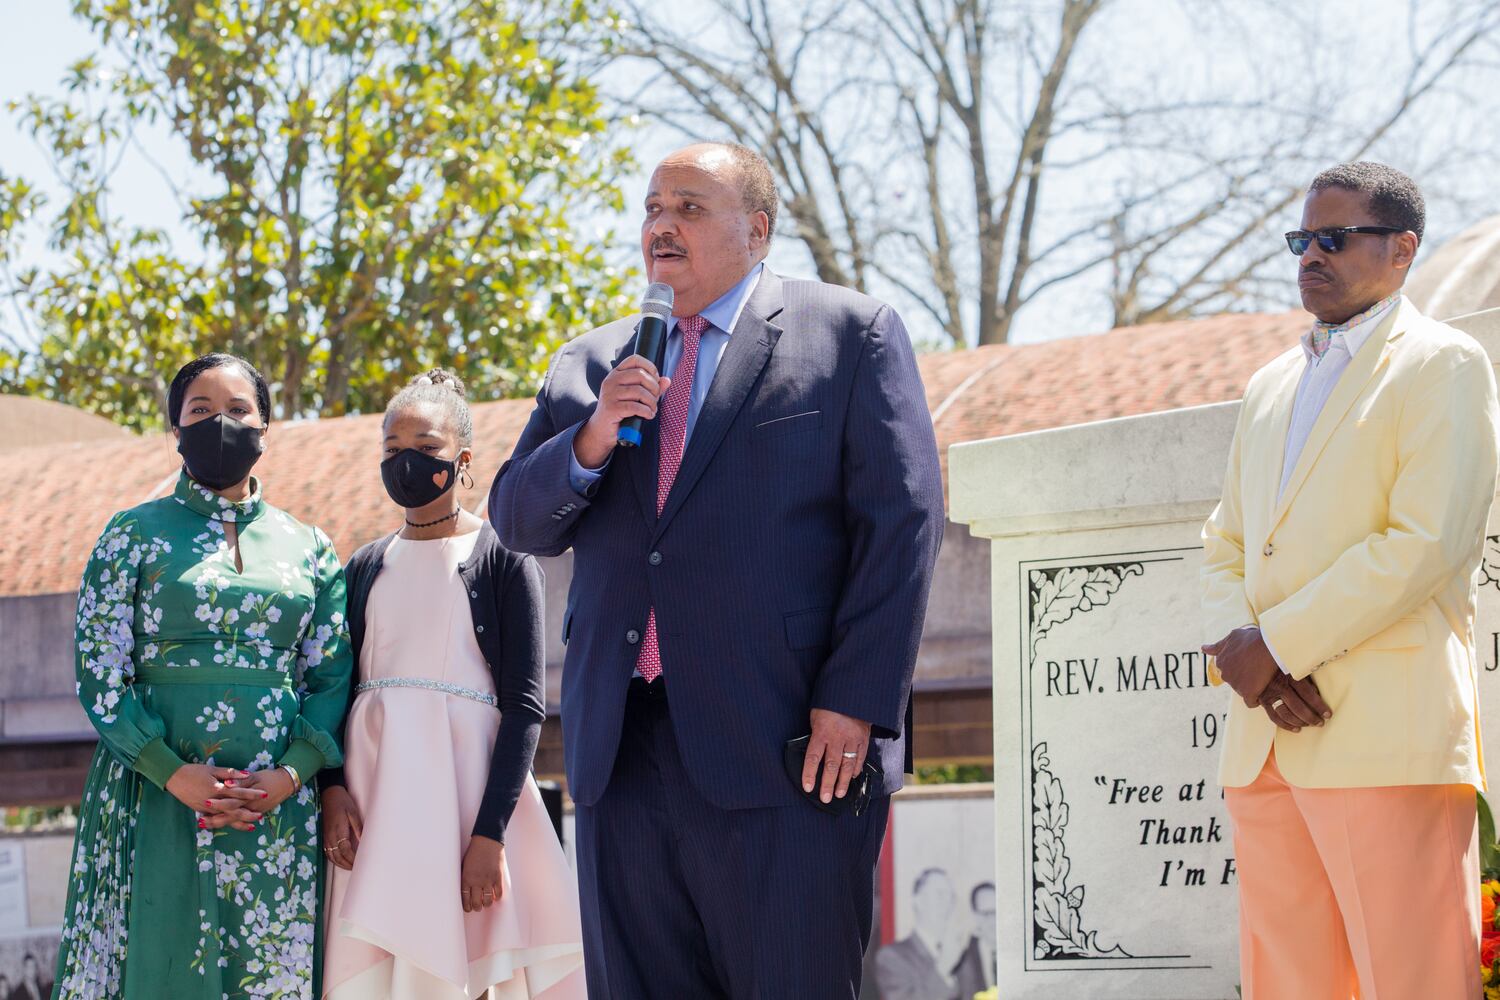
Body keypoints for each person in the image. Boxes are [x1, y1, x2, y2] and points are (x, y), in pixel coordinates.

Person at [490, 141, 945, 998]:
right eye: (654, 208)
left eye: (690, 208)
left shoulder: (848, 335)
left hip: (791, 754)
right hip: (622, 757)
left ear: (757, 230)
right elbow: (516, 519)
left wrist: (856, 696)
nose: (662, 225)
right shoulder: (592, 363)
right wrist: (591, 438)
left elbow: (902, 523)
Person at [1201, 162, 1499, 999]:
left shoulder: (1445, 364)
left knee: (1416, 983)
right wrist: (1244, 658)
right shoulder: (1268, 387)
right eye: (1303, 239)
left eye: (1336, 238)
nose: (1311, 256)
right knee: (1288, 986)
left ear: (1403, 250)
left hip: (1385, 738)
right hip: (1264, 740)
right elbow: (1223, 543)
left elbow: (1425, 542)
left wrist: (1277, 644)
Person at [51, 353, 352, 999]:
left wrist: (292, 774)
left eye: (239, 410)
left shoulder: (312, 547)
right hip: (155, 792)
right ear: (175, 430)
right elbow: (100, 671)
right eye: (201, 411)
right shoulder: (129, 533)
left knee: (269, 972)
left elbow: (330, 675)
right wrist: (171, 772)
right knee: (161, 964)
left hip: (273, 806)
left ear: (266, 428)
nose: (221, 423)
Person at [319, 370, 585, 1000]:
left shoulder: (503, 557)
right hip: (375, 796)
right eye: (391, 449)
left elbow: (523, 708)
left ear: (463, 461)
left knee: (472, 960)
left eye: (427, 448)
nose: (407, 462)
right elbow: (332, 688)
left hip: (468, 800)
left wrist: (490, 834)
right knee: (382, 965)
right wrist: (332, 789)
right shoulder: (364, 565)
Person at [875, 868, 959, 1000]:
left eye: (951, 896)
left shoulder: (961, 951)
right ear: (918, 900)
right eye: (940, 894)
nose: (948, 903)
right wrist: (943, 968)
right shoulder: (891, 957)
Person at [951, 882, 997, 998]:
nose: (993, 920)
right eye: (986, 913)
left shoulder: (1020, 952)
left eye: (996, 912)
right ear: (975, 916)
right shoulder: (961, 959)